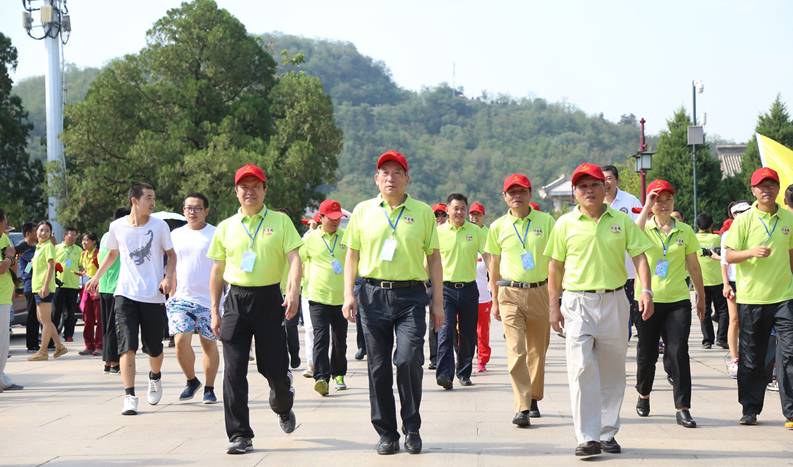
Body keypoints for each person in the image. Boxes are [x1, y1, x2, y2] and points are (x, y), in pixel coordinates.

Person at [545, 163, 653, 457]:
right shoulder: (564, 224)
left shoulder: (621, 221)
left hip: (615, 300)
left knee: (613, 370)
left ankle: (607, 431)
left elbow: (640, 256)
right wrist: (553, 307)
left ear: (605, 188)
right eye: (582, 187)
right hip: (578, 302)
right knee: (581, 367)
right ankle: (587, 436)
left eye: (594, 185)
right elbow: (554, 267)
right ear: (575, 193)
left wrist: (645, 290)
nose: (589, 191)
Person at [342, 150, 443, 455]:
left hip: (411, 296)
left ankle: (411, 426)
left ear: (407, 178)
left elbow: (434, 258)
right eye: (384, 172)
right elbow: (352, 256)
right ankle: (387, 432)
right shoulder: (363, 211)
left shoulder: (423, 212)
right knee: (378, 368)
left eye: (397, 172)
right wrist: (348, 294)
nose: (390, 177)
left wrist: (437, 302)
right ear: (376, 179)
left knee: (408, 359)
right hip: (372, 295)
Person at [207, 164, 302, 455]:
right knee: (233, 371)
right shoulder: (226, 227)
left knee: (272, 367)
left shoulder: (280, 221)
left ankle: (283, 401)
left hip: (269, 300)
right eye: (243, 187)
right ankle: (239, 434)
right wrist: (214, 310)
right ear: (236, 191)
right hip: (235, 301)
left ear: (264, 189)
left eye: (255, 186)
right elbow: (217, 271)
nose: (249, 191)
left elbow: (295, 258)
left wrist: (294, 291)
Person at [86, 182, 176, 416]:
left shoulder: (160, 226)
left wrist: (168, 277)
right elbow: (113, 254)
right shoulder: (117, 226)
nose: (152, 202)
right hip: (124, 294)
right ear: (134, 200)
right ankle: (129, 396)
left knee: (154, 348)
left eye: (153, 198)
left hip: (153, 295)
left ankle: (155, 376)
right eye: (148, 198)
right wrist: (96, 276)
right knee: (127, 346)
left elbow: (171, 254)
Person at [634, 180, 706, 428]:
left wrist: (701, 296)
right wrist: (646, 205)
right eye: (657, 200)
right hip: (647, 299)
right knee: (647, 352)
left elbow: (694, 266)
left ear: (674, 202)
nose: (662, 204)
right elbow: (631, 235)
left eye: (667, 199)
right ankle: (643, 394)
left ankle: (683, 407)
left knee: (678, 351)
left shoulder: (685, 231)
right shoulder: (644, 228)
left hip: (677, 301)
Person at [725, 167, 793, 429]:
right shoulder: (744, 221)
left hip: (785, 297)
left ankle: (790, 411)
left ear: (777, 188)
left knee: (789, 354)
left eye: (771, 185)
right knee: (753, 356)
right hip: (753, 298)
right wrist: (751, 252)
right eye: (761, 186)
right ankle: (750, 408)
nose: (766, 190)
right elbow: (729, 255)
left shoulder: (788, 219)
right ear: (753, 190)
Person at [485, 174, 555, 426]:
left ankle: (533, 396)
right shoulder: (497, 227)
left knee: (537, 350)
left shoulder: (546, 222)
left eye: (521, 191)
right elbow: (494, 266)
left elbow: (557, 260)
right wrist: (494, 299)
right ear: (504, 197)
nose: (516, 196)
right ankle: (522, 406)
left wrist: (557, 295)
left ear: (530, 194)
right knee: (516, 350)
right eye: (511, 192)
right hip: (509, 293)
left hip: (540, 292)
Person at [166, 192, 220, 404]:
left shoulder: (216, 234)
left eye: (197, 208)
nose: (192, 212)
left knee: (208, 344)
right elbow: (171, 263)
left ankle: (209, 387)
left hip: (208, 299)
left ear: (206, 211)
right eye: (188, 208)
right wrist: (169, 283)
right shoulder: (176, 235)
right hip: (181, 298)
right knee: (180, 341)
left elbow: (221, 267)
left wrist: (221, 301)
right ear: (183, 211)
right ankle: (191, 380)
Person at [436, 193, 485, 389]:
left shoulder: (475, 231)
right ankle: (444, 375)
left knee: (467, 333)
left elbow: (488, 254)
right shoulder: (438, 232)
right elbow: (429, 258)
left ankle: (464, 372)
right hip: (445, 289)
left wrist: (494, 280)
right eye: (455, 208)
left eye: (462, 208)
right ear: (447, 210)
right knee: (445, 332)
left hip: (468, 288)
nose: (459, 212)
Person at [301, 199, 349, 396]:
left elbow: (355, 263)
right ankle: (321, 377)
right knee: (321, 337)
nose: (336, 222)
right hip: (317, 297)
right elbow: (298, 262)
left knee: (340, 340)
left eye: (339, 218)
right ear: (321, 218)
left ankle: (338, 374)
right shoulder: (309, 239)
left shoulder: (346, 237)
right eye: (332, 219)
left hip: (341, 298)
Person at [602, 165, 643, 338]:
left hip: (628, 271)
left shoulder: (630, 201)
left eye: (609, 178)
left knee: (627, 314)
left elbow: (641, 230)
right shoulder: (594, 202)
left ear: (617, 180)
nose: (605, 182)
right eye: (602, 179)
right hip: (603, 272)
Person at [28, 221, 69, 361]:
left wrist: (45, 286)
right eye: (41, 230)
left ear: (50, 233)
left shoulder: (48, 247)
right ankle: (59, 346)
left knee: (45, 320)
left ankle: (43, 351)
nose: (43, 233)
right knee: (43, 319)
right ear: (36, 232)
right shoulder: (39, 247)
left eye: (46, 231)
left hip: (44, 288)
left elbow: (51, 266)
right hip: (37, 288)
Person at [721, 201, 751, 377]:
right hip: (733, 281)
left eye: (746, 211)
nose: (744, 214)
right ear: (734, 215)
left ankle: (748, 356)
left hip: (750, 281)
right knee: (734, 320)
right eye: (740, 212)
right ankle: (734, 358)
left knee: (749, 321)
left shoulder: (754, 230)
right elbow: (724, 262)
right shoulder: (727, 235)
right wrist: (725, 284)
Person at [99, 208, 128, 374]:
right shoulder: (120, 237)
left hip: (104, 286)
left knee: (106, 326)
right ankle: (114, 362)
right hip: (116, 287)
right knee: (114, 327)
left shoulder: (105, 237)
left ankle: (107, 361)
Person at [696, 213, 728, 349]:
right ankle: (721, 338)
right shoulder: (717, 238)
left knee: (704, 311)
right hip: (718, 280)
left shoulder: (693, 238)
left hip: (700, 281)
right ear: (711, 225)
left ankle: (707, 340)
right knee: (723, 310)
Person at [0, 209, 23, 391]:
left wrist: (15, 285)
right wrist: (8, 257)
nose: (7, 224)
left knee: (4, 340)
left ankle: (2, 377)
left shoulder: (5, 239)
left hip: (5, 295)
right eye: (5, 220)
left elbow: (12, 265)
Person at [469, 202, 492, 373]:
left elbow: (493, 264)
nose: (474, 217)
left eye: (477, 214)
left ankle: (482, 359)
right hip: (465, 293)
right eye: (472, 214)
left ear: (483, 215)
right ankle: (465, 359)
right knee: (464, 330)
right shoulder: (466, 234)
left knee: (482, 331)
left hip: (484, 294)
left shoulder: (488, 235)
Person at [426, 202, 447, 370]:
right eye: (436, 215)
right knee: (433, 321)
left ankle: (451, 354)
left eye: (442, 215)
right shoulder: (428, 232)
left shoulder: (450, 232)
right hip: (429, 282)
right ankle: (434, 357)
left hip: (447, 282)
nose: (439, 218)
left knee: (448, 322)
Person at [53, 226, 82, 342]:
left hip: (73, 285)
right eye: (71, 235)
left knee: (71, 313)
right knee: (56, 312)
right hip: (58, 285)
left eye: (75, 235)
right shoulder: (57, 248)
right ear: (65, 236)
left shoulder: (79, 250)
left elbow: (82, 265)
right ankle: (53, 336)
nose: (73, 238)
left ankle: (69, 335)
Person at [16, 222, 40, 353]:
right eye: (35, 231)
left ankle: (36, 340)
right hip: (30, 285)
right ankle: (31, 344)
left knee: (38, 315)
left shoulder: (36, 247)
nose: (37, 234)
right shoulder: (21, 247)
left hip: (39, 284)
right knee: (31, 316)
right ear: (28, 233)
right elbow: (26, 269)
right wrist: (32, 263)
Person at [79, 232, 102, 356]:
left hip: (97, 289)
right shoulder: (83, 254)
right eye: (83, 240)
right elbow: (87, 270)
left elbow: (102, 270)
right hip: (86, 289)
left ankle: (99, 345)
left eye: (87, 240)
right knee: (87, 318)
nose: (84, 242)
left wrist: (99, 287)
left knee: (99, 319)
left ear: (94, 242)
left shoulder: (98, 254)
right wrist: (82, 273)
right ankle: (89, 345)